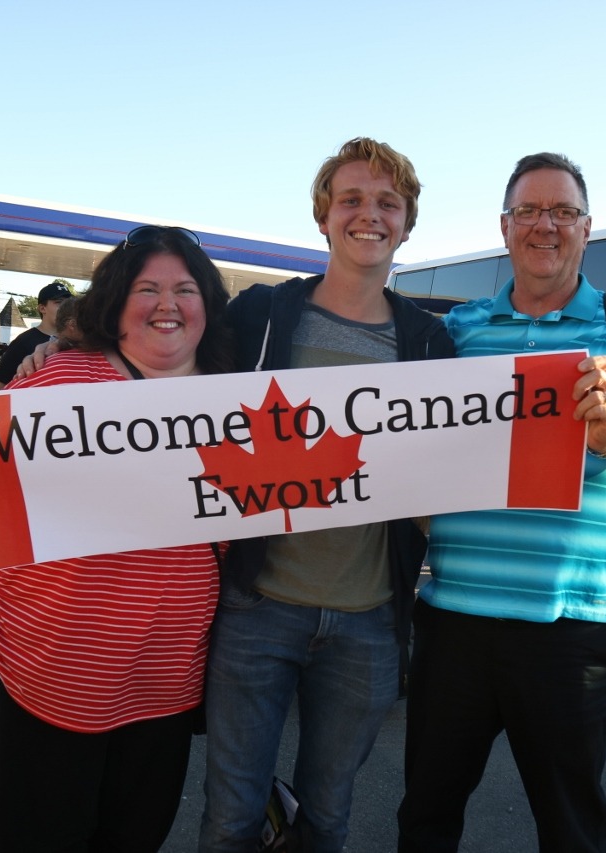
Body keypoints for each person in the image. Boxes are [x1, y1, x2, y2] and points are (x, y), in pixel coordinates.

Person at [0, 226, 233, 852]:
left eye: (185, 289)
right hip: (52, 675)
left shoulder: (239, 398)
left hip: (166, 682)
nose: (168, 304)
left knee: (133, 839)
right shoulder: (59, 383)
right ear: (116, 302)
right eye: (148, 288)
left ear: (208, 305)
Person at [397, 152, 606, 853]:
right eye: (528, 211)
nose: (544, 225)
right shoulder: (457, 331)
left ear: (588, 228)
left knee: (571, 829)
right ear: (504, 226)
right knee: (425, 817)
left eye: (562, 212)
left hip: (569, 631)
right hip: (453, 624)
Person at [196, 138, 454, 853]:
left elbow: (449, 463)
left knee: (327, 819)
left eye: (387, 203)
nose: (368, 214)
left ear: (406, 224)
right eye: (351, 199)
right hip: (256, 607)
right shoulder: (263, 316)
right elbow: (162, 377)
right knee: (230, 818)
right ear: (322, 215)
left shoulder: (429, 342)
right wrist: (60, 357)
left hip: (369, 620)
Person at [0, 280, 72, 390]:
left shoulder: (76, 342)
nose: (66, 308)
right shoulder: (22, 342)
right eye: (59, 302)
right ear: (42, 308)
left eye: (68, 303)